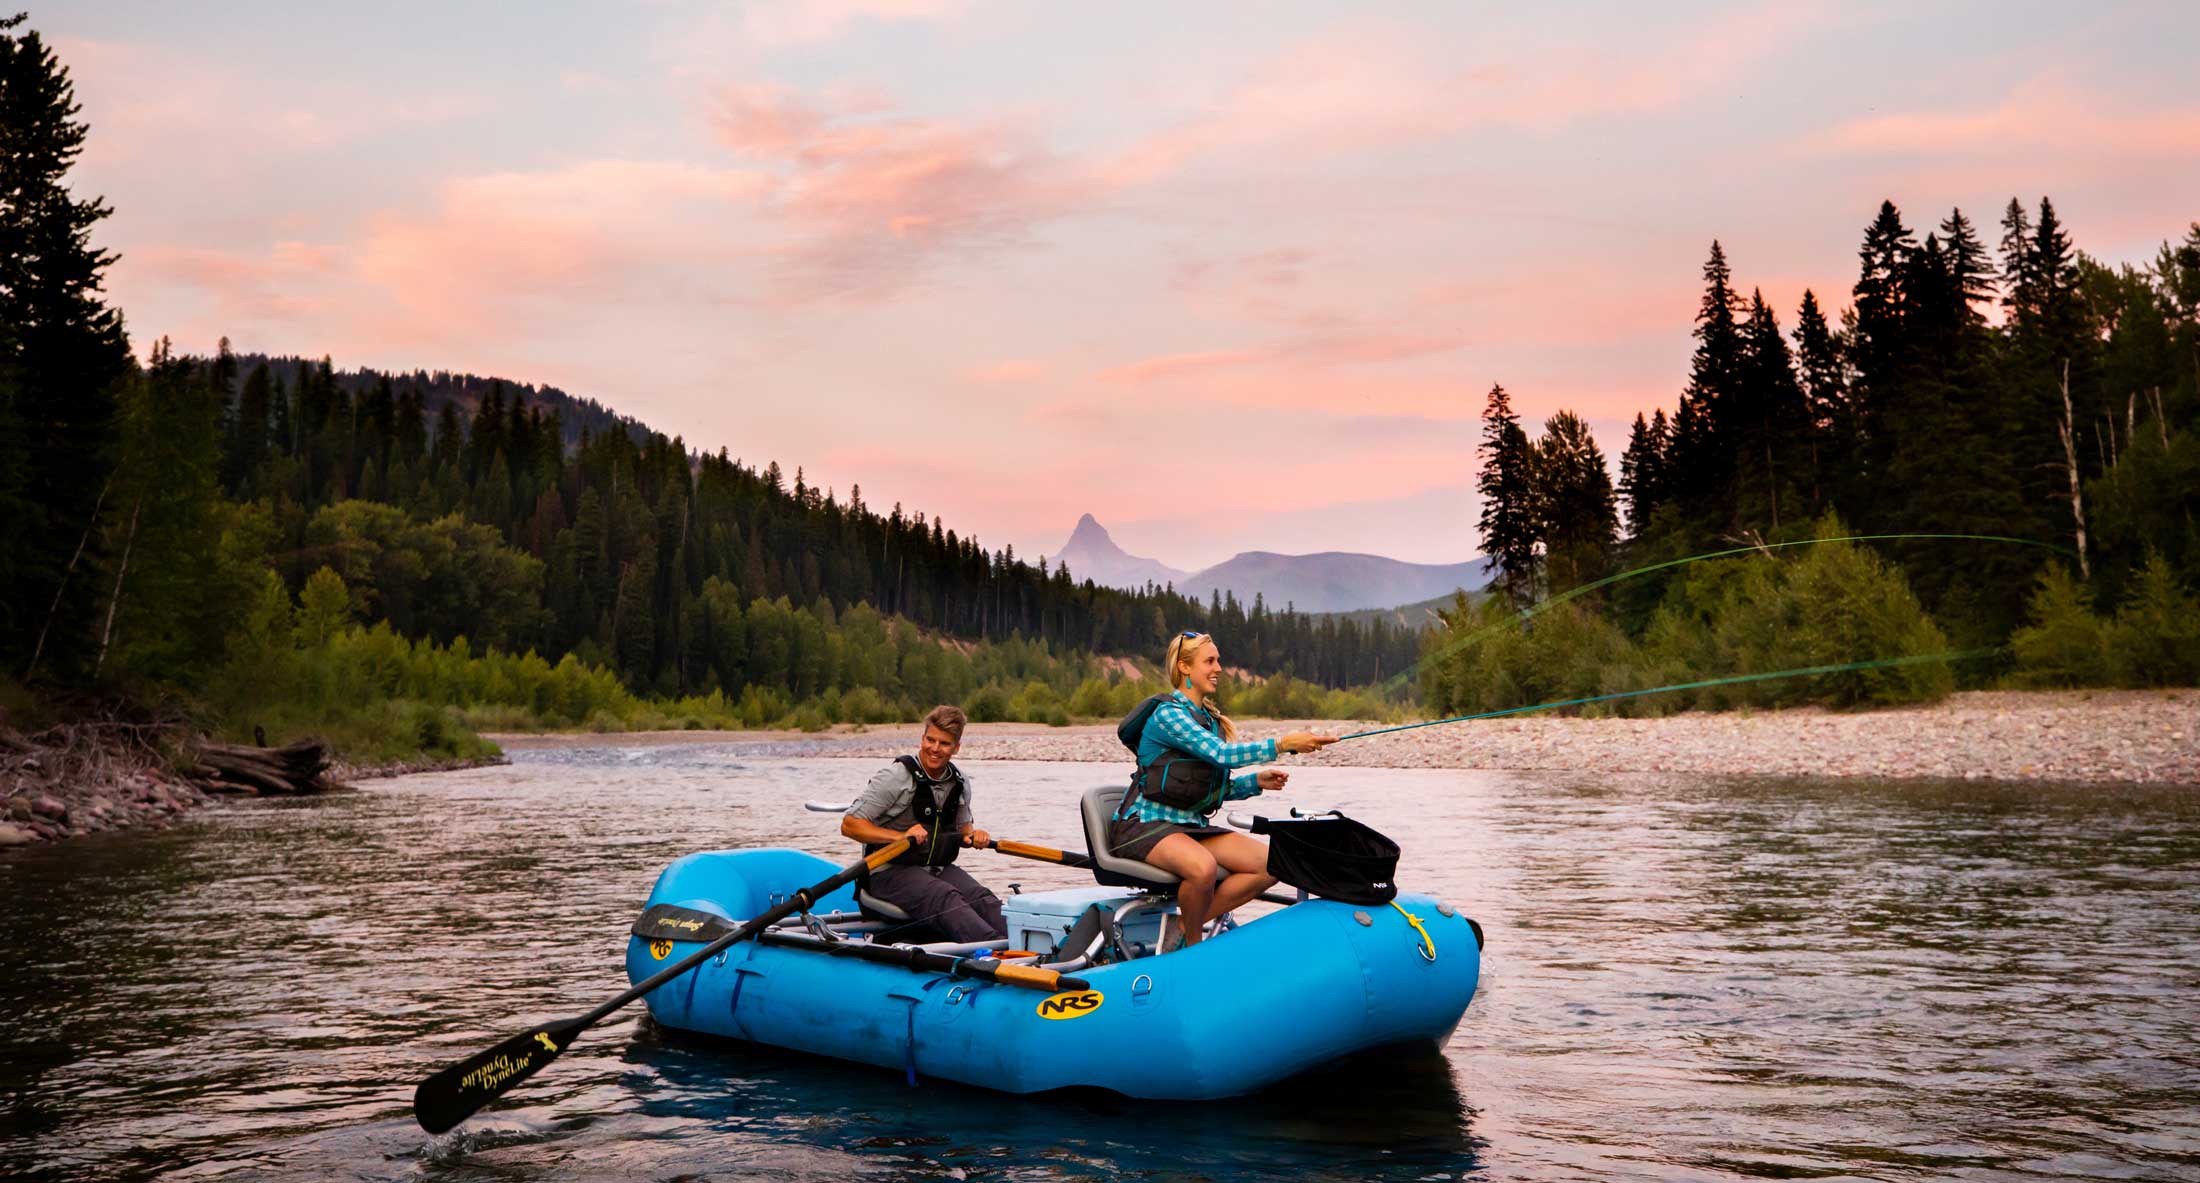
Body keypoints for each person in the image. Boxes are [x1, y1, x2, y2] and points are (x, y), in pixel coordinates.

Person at [1110, 631, 1337, 948]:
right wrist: (1283, 744)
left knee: (1273, 863)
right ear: (1185, 667)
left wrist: (1254, 783)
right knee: (1201, 868)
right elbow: (1222, 755)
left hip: (1189, 826)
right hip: (1144, 825)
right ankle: (1191, 946)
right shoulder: (1169, 715)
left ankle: (1182, 924)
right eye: (1210, 661)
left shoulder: (1208, 720)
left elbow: (1208, 789)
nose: (1218, 668)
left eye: (1218, 660)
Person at [840, 704, 1006, 942]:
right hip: (886, 874)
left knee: (982, 898)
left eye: (944, 743)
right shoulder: (896, 777)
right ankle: (999, 956)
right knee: (945, 897)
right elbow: (849, 824)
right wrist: (899, 837)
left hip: (936, 869)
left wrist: (974, 835)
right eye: (931, 740)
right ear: (922, 738)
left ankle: (1031, 951)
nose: (935, 749)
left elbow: (963, 830)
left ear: (956, 748)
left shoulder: (959, 782)